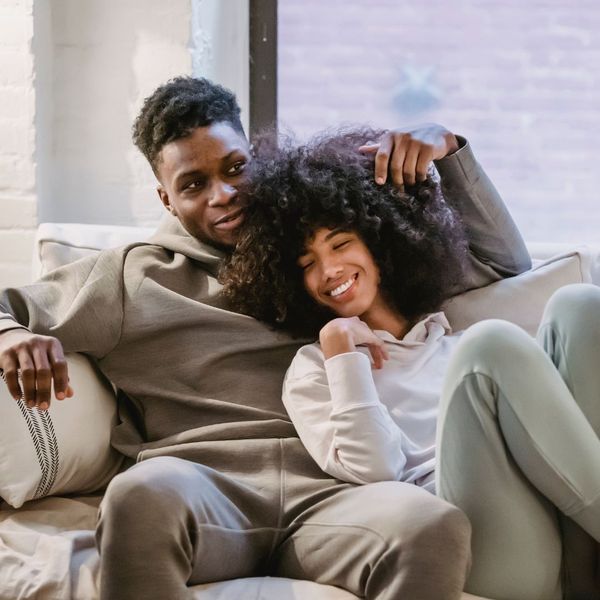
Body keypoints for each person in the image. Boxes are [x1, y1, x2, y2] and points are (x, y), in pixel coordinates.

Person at [0, 77, 527, 600]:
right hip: (205, 492)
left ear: (255, 156)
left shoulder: (324, 257)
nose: (223, 194)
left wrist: (449, 149)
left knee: (431, 524)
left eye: (235, 168)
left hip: (336, 498)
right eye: (192, 184)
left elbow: (500, 264)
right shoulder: (130, 278)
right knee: (140, 493)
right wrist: (11, 335)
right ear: (165, 198)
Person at [220, 128, 600, 600]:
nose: (330, 270)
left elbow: (508, 260)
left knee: (579, 307)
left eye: (340, 244)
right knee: (490, 346)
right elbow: (375, 470)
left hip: (566, 523)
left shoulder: (448, 335)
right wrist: (344, 356)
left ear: (379, 239)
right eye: (307, 263)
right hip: (487, 544)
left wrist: (447, 148)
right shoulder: (316, 367)